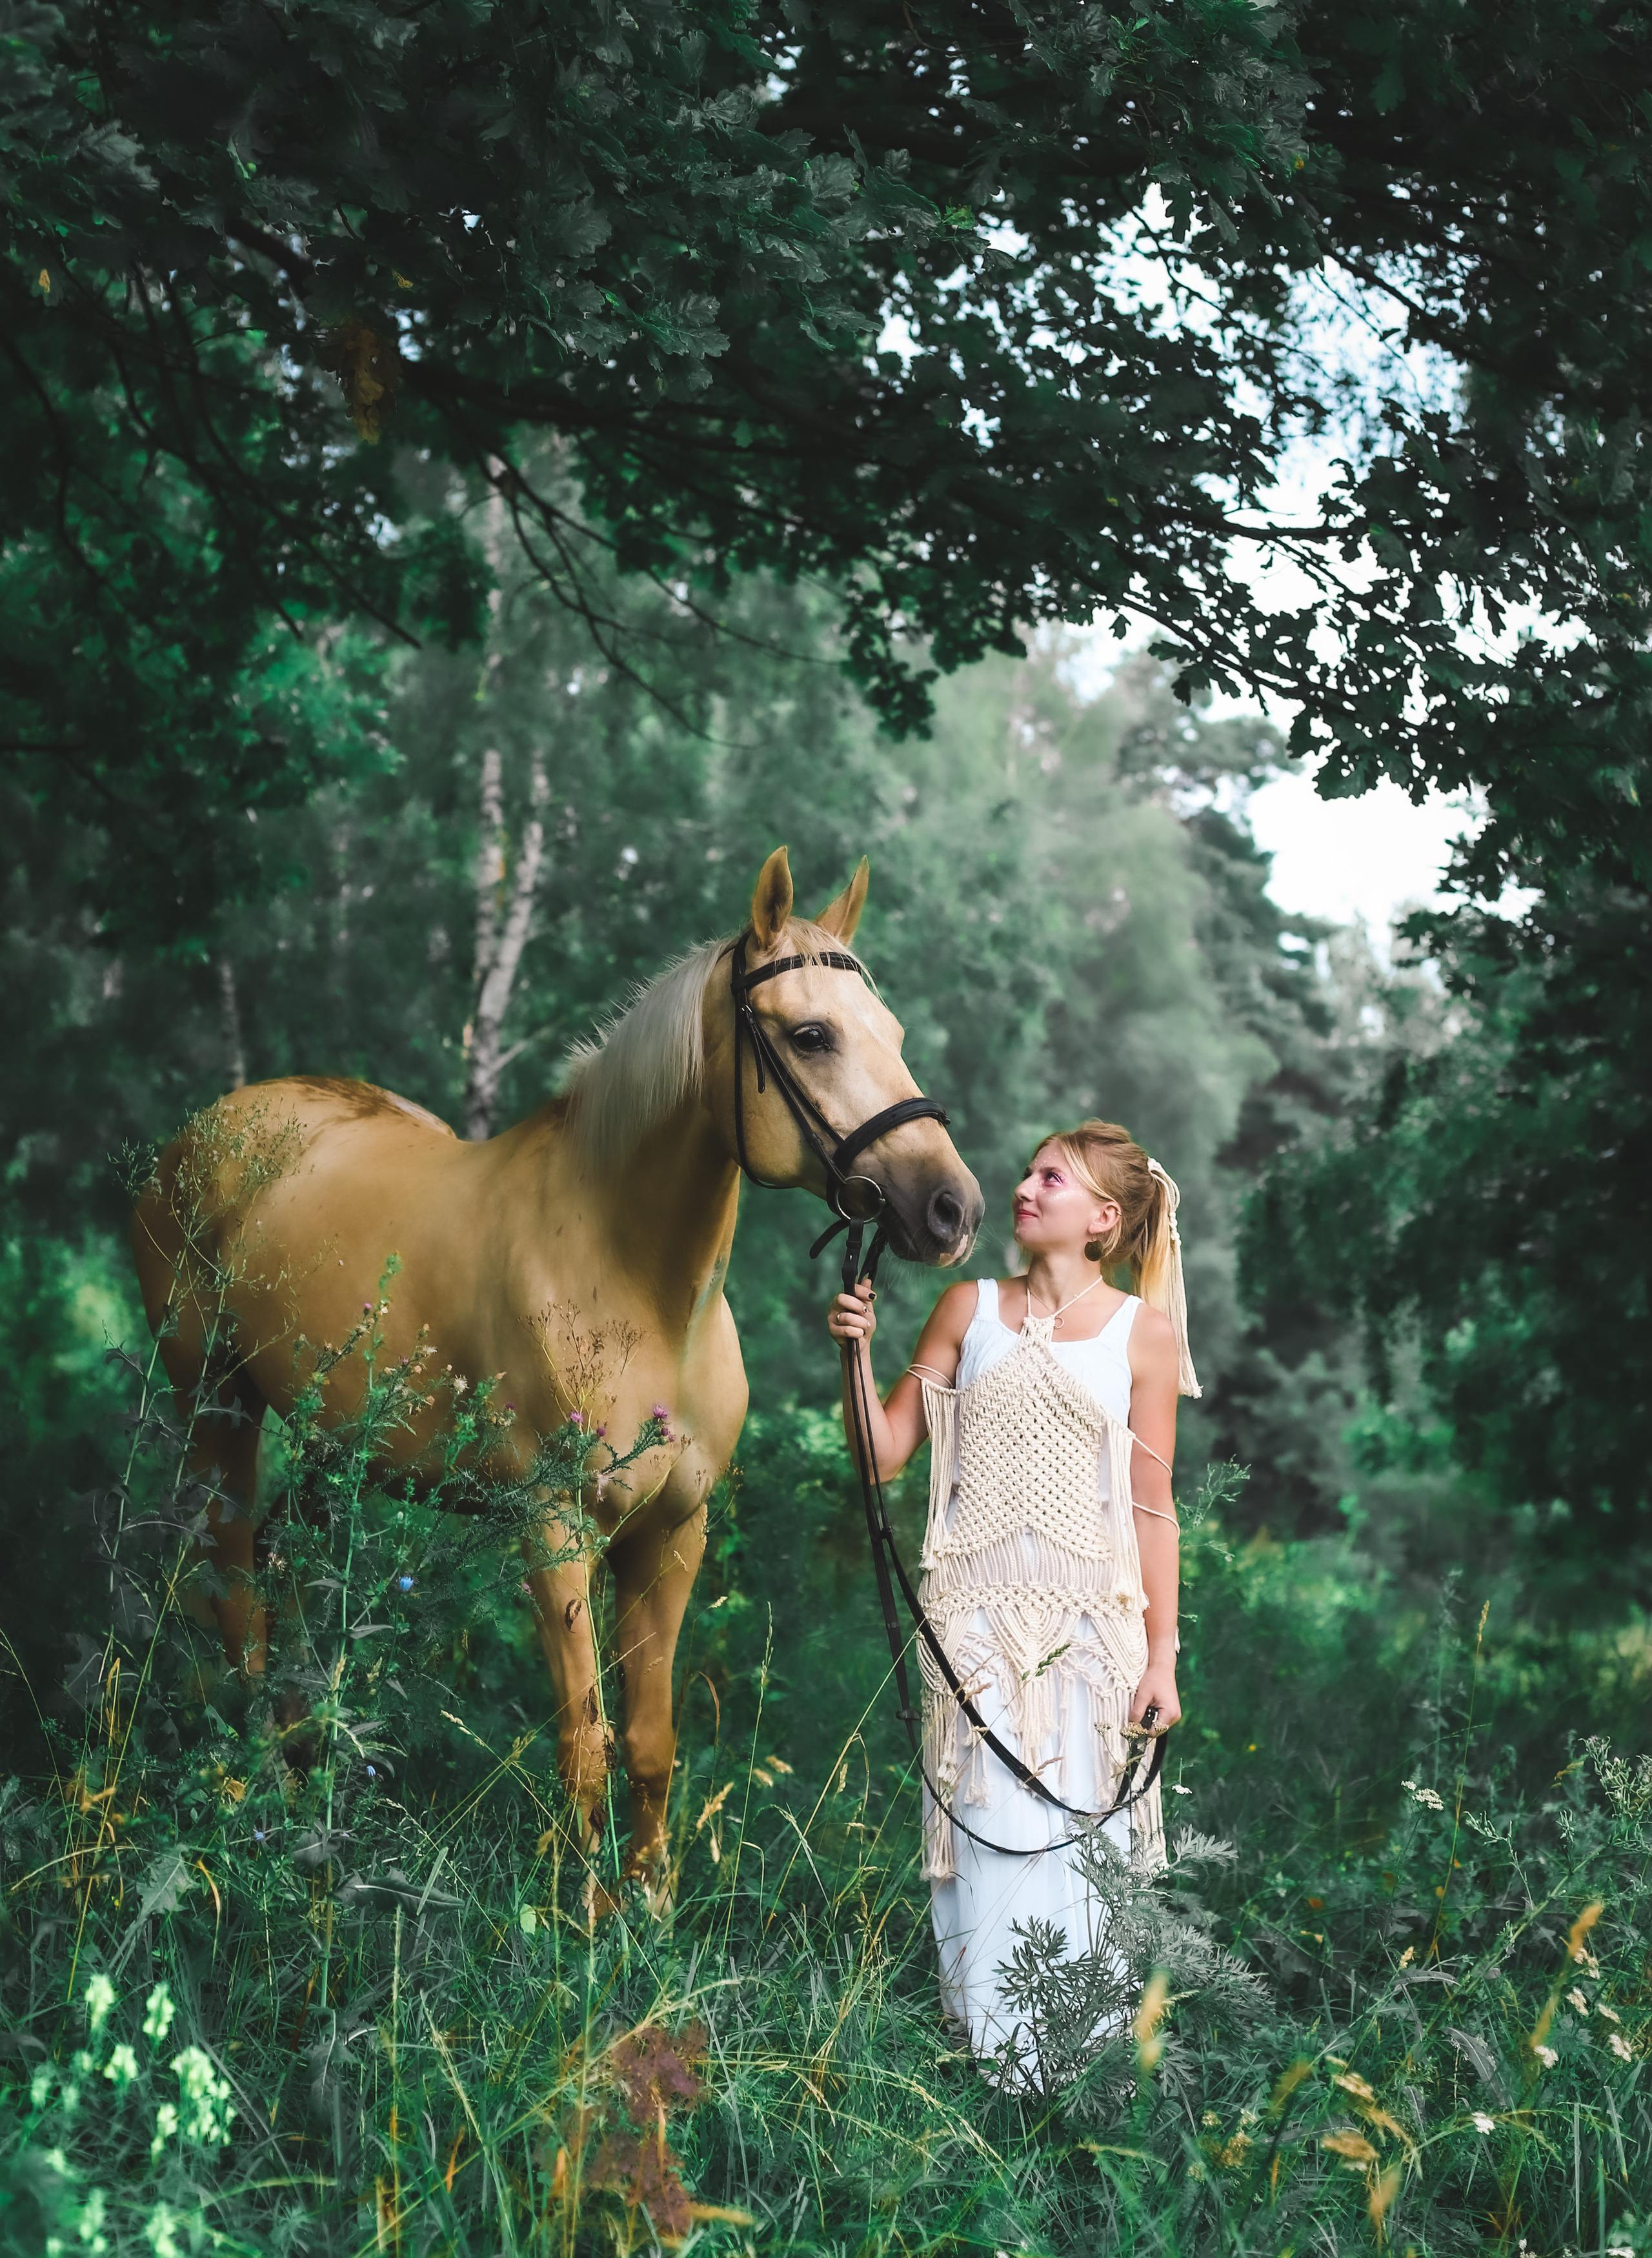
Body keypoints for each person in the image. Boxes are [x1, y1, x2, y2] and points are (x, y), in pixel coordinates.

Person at [826, 1120, 1197, 2072]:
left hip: (1095, 1636)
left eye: (1051, 1180)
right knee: (990, 1844)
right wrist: (856, 1355)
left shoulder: (1139, 1336)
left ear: (1103, 1219)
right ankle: (993, 2074)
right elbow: (884, 1457)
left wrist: (1162, 1659)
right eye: (1029, 1174)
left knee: (1082, 1855)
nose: (1025, 1189)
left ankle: (1084, 2083)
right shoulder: (967, 1310)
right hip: (974, 1628)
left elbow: (1153, 1512)